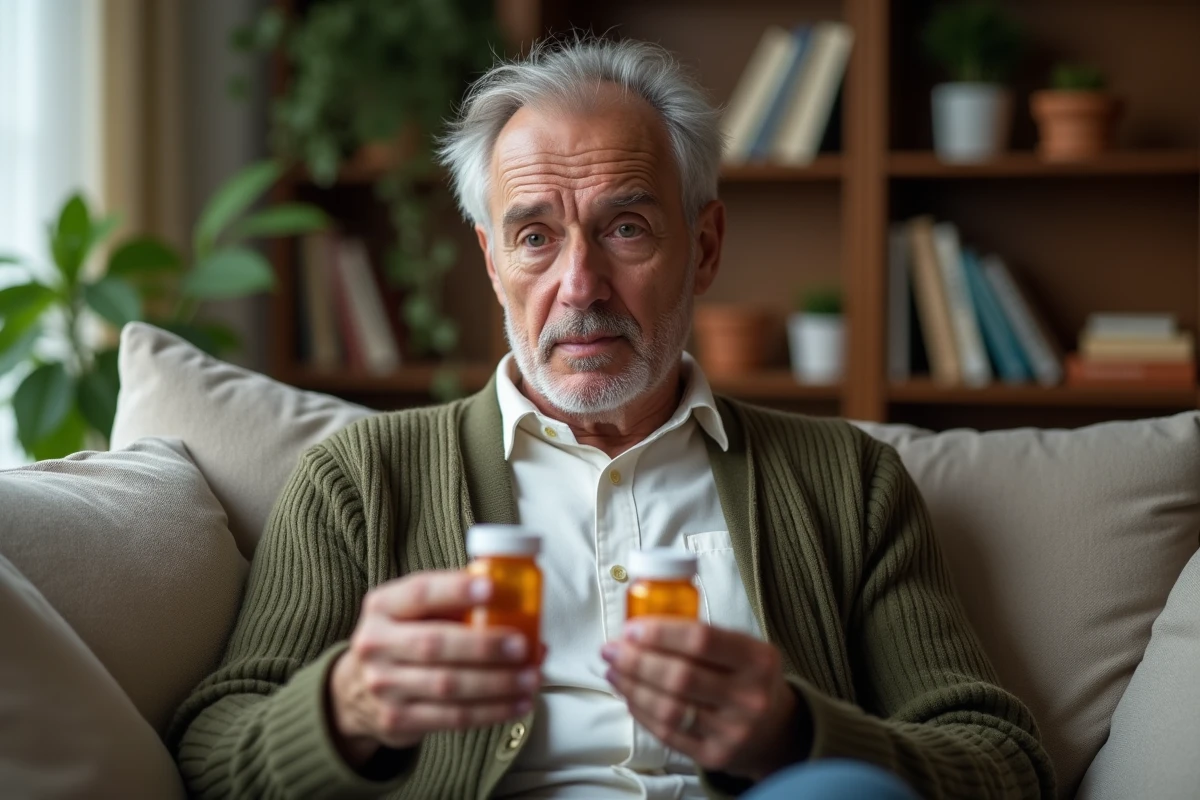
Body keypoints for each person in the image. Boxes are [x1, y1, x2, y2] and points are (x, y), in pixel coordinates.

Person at [169, 37, 1055, 799]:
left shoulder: (847, 482)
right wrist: (349, 706)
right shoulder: (362, 479)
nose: (580, 285)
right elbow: (212, 755)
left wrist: (797, 734)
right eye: (535, 236)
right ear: (490, 261)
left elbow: (1003, 762)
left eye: (625, 228)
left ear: (703, 248)